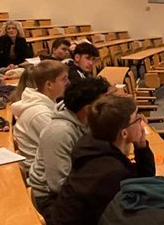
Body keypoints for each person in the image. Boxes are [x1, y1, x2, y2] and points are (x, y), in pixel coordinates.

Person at [47, 94, 155, 225]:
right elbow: (137, 205)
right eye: (137, 118)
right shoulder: (110, 172)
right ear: (124, 132)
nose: (142, 122)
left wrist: (141, 146)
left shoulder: (91, 144)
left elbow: (142, 182)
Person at [28, 75, 110, 214]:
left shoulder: (87, 122)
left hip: (74, 185)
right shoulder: (59, 132)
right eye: (103, 104)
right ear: (88, 108)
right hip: (49, 198)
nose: (108, 107)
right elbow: (58, 184)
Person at [10, 60, 69, 174]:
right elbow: (62, 145)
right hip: (40, 174)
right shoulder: (40, 114)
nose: (68, 82)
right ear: (49, 85)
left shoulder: (46, 103)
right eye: (64, 79)